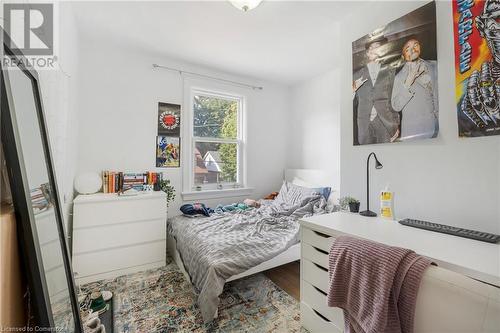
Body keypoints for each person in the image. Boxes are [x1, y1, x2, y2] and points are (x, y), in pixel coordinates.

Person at [353, 36, 400, 145]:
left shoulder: (391, 71)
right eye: (371, 48)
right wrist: (352, 91)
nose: (374, 50)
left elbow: (394, 99)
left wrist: (396, 125)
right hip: (364, 124)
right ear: (367, 53)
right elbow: (353, 102)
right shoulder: (355, 75)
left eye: (378, 47)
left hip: (385, 122)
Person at [391, 38, 438, 140]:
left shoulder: (435, 65)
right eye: (408, 49)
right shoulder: (399, 78)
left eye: (415, 45)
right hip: (415, 132)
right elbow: (396, 105)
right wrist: (408, 82)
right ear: (403, 56)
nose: (413, 50)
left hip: (438, 128)